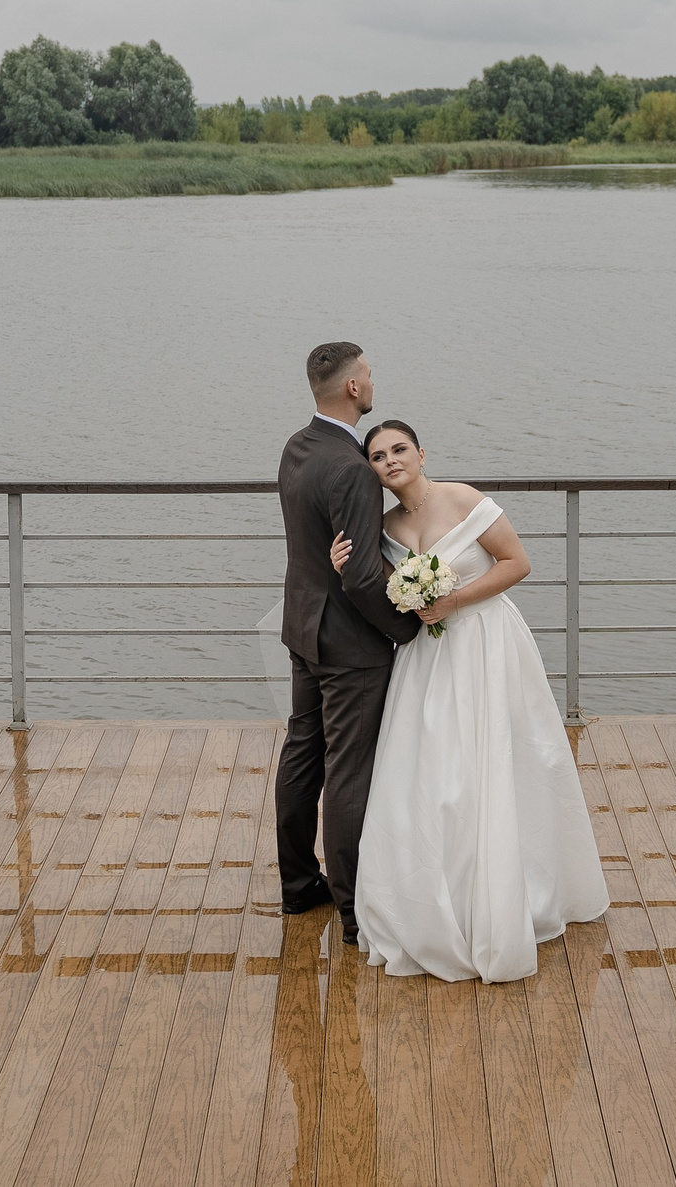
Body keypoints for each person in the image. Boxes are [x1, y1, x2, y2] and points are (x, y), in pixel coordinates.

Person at [328, 418, 609, 982]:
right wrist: (350, 571)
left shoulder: (465, 499)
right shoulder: (383, 525)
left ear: (422, 452)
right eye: (378, 457)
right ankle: (441, 899)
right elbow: (395, 592)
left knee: (503, 761)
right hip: (429, 659)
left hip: (487, 644)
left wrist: (453, 601)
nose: (391, 461)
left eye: (399, 449)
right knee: (431, 773)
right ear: (373, 472)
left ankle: (513, 892)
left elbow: (517, 564)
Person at [274, 341, 419, 946]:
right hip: (349, 646)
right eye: (369, 373)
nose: (372, 379)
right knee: (349, 772)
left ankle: (298, 884)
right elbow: (360, 577)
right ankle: (355, 910)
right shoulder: (355, 471)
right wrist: (407, 629)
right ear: (355, 389)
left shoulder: (298, 447)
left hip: (302, 627)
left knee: (303, 752)